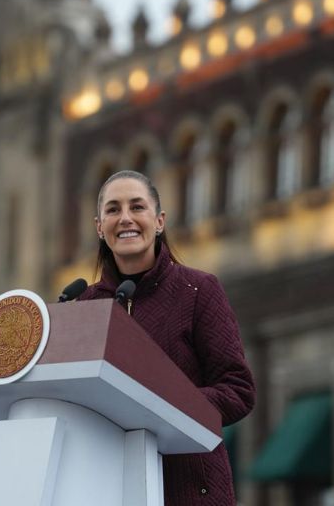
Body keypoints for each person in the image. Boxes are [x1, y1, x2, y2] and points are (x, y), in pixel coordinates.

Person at [78, 169, 255, 506]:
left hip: (189, 487)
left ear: (159, 221)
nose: (126, 218)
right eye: (113, 210)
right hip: (107, 485)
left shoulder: (199, 290)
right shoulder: (83, 307)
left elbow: (238, 390)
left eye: (137, 207)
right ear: (100, 227)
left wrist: (162, 407)